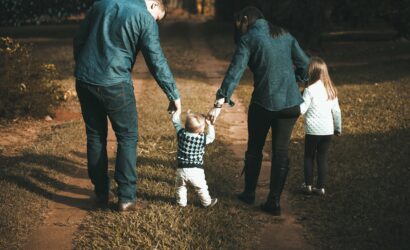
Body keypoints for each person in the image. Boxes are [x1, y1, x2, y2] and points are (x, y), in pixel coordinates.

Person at [73, 0, 182, 212]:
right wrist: (173, 94)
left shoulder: (101, 4)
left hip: (85, 80)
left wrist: (82, 66)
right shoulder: (144, 17)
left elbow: (79, 39)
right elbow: (156, 61)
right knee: (127, 137)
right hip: (115, 84)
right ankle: (126, 198)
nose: (154, 23)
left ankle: (101, 194)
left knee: (95, 135)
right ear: (153, 5)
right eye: (157, 18)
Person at [208, 6, 309, 216]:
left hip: (264, 104)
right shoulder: (284, 33)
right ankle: (274, 202)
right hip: (291, 104)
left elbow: (234, 73)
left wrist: (218, 104)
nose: (240, 28)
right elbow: (305, 64)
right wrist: (297, 81)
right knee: (280, 151)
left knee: (254, 148)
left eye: (240, 24)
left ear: (246, 19)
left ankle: (249, 193)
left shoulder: (248, 39)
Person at [299, 57, 342, 196]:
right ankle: (321, 188)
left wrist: (296, 102)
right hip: (327, 130)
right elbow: (336, 111)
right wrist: (337, 128)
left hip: (313, 131)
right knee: (322, 157)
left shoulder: (309, 90)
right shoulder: (331, 90)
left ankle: (308, 186)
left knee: (308, 157)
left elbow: (302, 109)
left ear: (311, 72)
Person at [171, 111, 218, 207]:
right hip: (196, 171)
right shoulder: (202, 139)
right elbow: (211, 137)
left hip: (181, 169)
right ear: (200, 131)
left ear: (186, 126)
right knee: (201, 188)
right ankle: (207, 203)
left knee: (180, 187)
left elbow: (176, 123)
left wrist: (174, 114)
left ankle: (181, 203)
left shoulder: (181, 134)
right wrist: (210, 125)